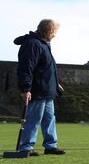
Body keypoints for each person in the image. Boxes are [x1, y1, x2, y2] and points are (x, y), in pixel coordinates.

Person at [14, 19, 65, 156]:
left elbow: (47, 68)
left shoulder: (43, 44)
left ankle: (50, 146)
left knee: (49, 118)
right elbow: (26, 68)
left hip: (47, 90)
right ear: (49, 30)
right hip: (37, 89)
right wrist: (26, 88)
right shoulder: (32, 44)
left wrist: (56, 83)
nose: (55, 35)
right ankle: (26, 147)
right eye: (55, 32)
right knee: (34, 118)